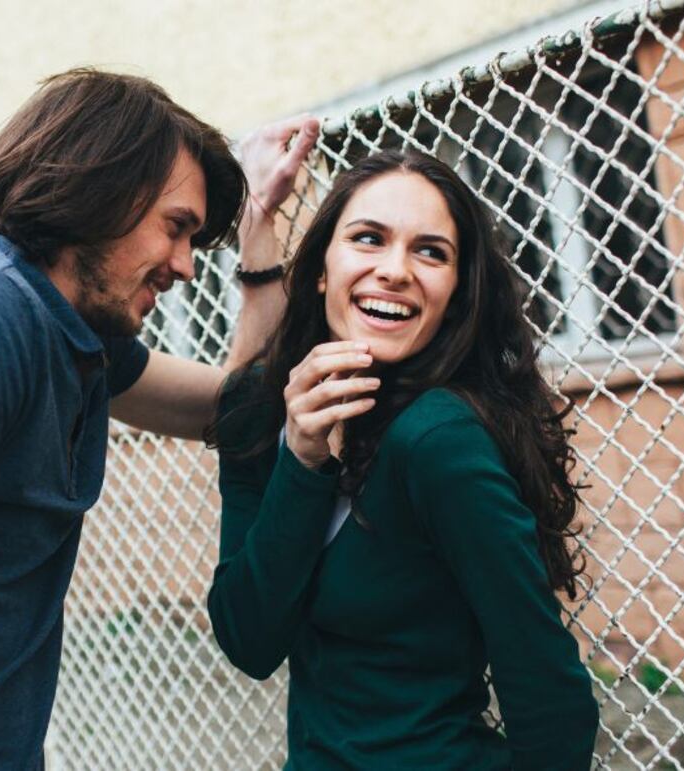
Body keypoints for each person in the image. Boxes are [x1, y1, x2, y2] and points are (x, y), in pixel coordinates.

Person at [0, 68, 319, 769]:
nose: (187, 267)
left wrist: (258, 235)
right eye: (176, 228)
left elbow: (236, 407)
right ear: (102, 191)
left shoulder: (71, 340)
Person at [206, 149, 600, 769]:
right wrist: (302, 462)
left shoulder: (439, 440)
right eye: (368, 238)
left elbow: (545, 684)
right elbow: (248, 640)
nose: (395, 270)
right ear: (320, 270)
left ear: (455, 293)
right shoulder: (258, 409)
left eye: (430, 251)